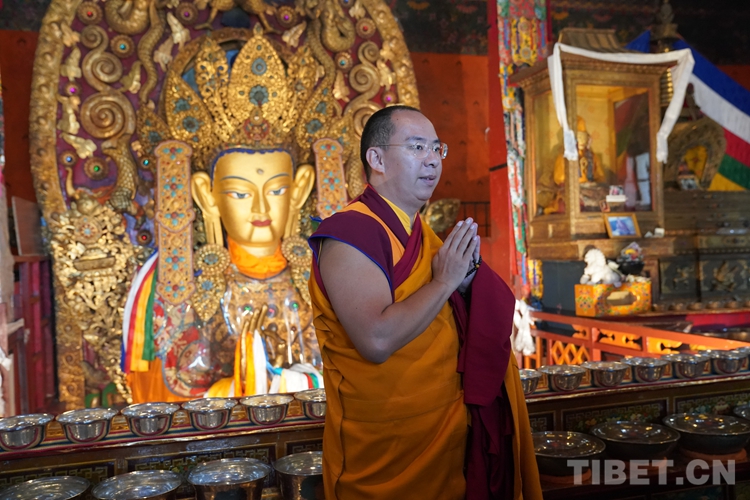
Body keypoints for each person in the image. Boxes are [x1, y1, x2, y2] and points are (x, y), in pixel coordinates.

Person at [308, 106, 542, 499]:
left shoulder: (421, 234)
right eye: (417, 147)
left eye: (437, 148)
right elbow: (376, 340)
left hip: (447, 435)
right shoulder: (349, 234)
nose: (432, 159)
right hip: (385, 447)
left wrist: (465, 283)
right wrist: (445, 281)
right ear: (377, 159)